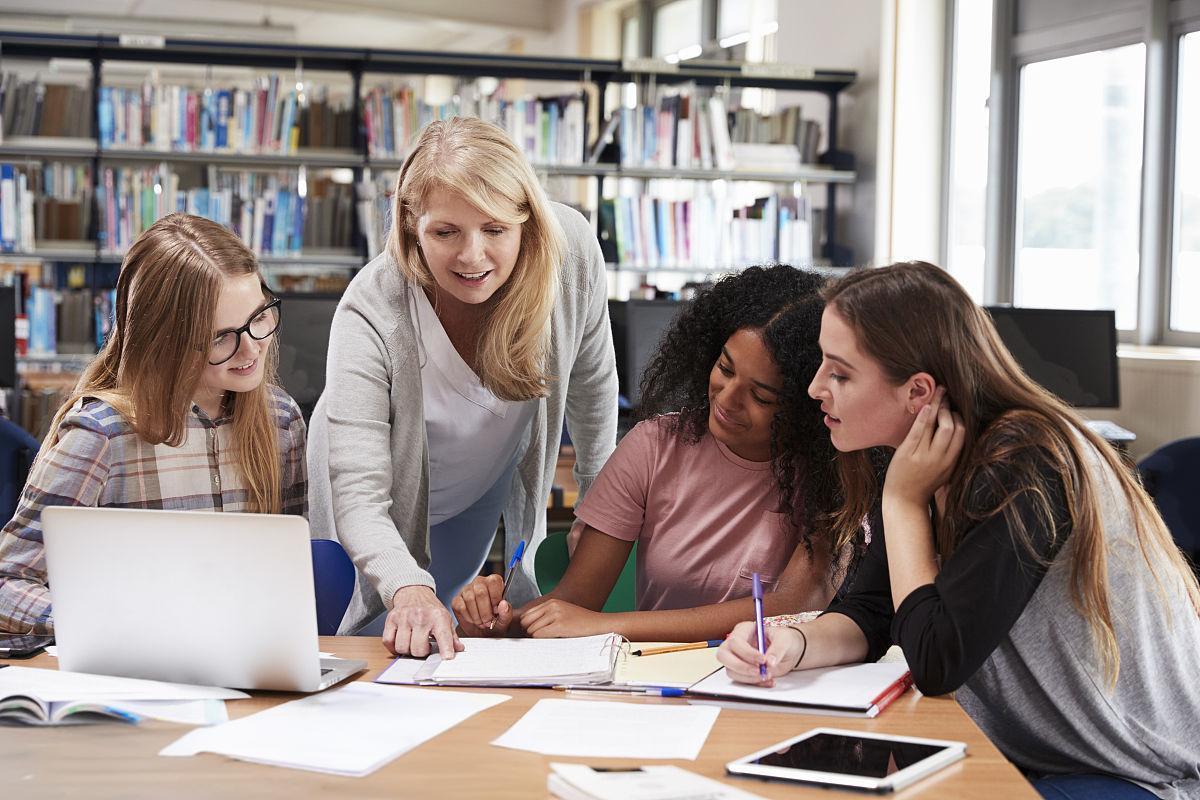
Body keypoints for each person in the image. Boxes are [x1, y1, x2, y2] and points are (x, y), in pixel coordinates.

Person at [718, 262, 1200, 800]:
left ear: (918, 392)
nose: (813, 389)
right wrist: (792, 644)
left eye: (840, 373)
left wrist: (902, 503)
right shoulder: (920, 454)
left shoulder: (1025, 464)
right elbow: (875, 610)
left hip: (1135, 774)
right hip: (1036, 755)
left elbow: (935, 661)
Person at [306, 117, 617, 657]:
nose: (472, 256)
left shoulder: (570, 258)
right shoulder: (371, 308)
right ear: (410, 226)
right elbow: (358, 495)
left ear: (526, 222)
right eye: (445, 233)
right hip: (374, 498)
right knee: (368, 635)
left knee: (441, 633)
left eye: (495, 229)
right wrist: (406, 586)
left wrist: (596, 506)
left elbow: (594, 388)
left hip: (477, 483)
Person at [454, 265, 856, 641]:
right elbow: (573, 605)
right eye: (726, 369)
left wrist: (608, 626)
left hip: (769, 688)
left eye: (761, 396)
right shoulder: (654, 446)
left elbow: (791, 609)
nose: (728, 400)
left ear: (805, 403)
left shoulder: (832, 469)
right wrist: (495, 622)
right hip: (655, 688)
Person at [0, 213, 308, 635]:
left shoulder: (281, 421)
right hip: (140, 674)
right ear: (165, 339)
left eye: (259, 318)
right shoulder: (101, 434)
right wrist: (114, 625)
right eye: (220, 337)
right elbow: (8, 584)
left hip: (250, 666)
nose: (251, 349)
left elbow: (289, 577)